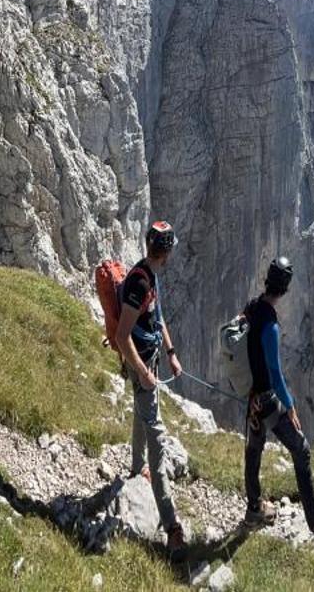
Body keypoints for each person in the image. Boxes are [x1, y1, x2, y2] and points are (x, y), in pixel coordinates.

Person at [240, 257, 314, 541]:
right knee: (302, 450)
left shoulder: (251, 307)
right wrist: (291, 406)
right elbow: (275, 372)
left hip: (252, 402)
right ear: (284, 290)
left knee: (254, 450)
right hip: (269, 401)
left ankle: (254, 509)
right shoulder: (270, 326)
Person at [114, 220, 186, 552]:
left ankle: (134, 467)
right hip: (142, 365)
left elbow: (157, 319)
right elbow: (121, 335)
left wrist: (170, 353)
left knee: (142, 413)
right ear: (167, 252)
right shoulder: (139, 284)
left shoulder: (148, 274)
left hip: (151, 361)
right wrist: (142, 371)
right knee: (157, 435)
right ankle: (171, 525)